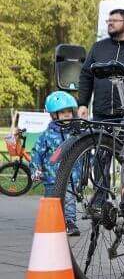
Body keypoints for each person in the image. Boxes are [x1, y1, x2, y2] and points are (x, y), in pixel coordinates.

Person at [31, 91, 80, 236]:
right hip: (51, 178)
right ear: (54, 115)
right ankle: (52, 223)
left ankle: (70, 223)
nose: (66, 115)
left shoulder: (76, 133)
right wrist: (36, 169)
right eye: (62, 112)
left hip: (71, 177)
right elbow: (37, 153)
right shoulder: (47, 135)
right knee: (52, 202)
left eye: (69, 112)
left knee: (70, 201)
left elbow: (83, 154)